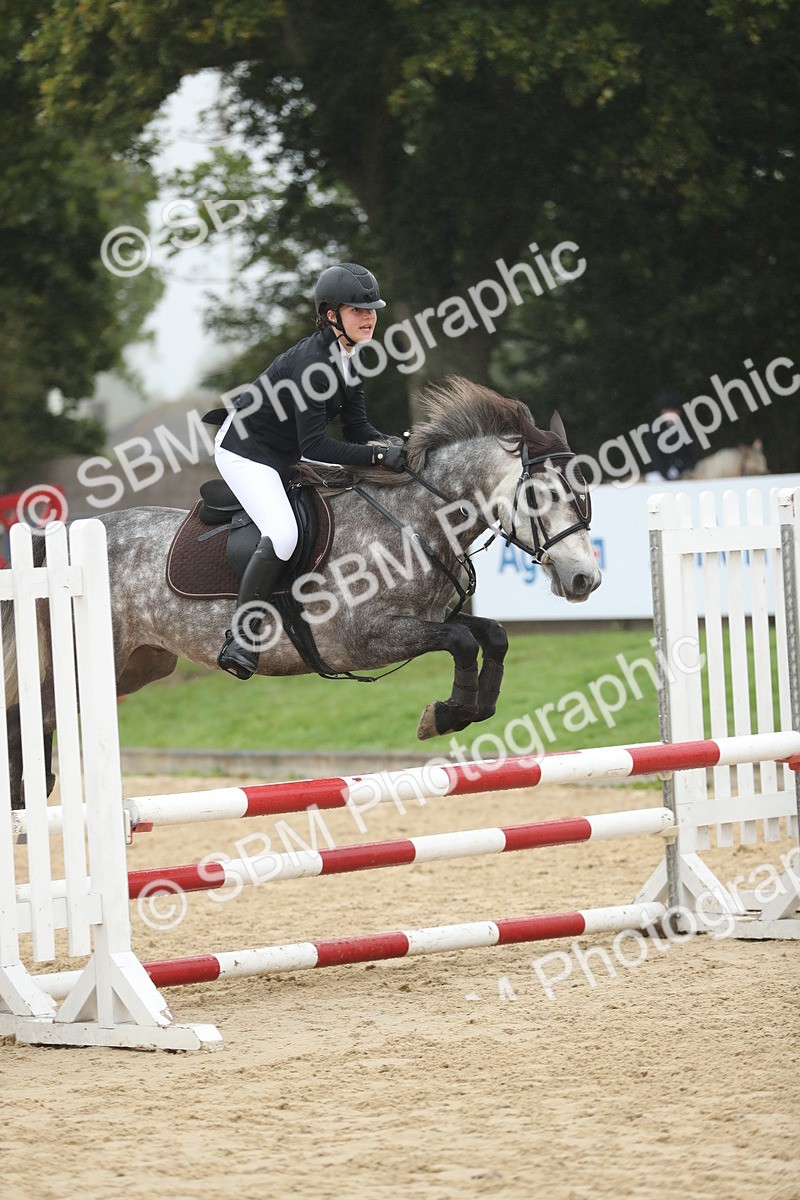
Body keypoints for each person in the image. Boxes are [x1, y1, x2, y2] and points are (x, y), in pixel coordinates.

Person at [204, 262, 405, 680]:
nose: (369, 317)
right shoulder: (313, 364)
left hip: (284, 450)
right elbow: (315, 446)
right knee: (283, 533)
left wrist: (391, 446)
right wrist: (375, 459)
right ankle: (242, 637)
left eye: (372, 309)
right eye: (357, 310)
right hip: (246, 450)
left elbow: (356, 429)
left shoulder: (350, 357)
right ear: (332, 315)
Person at [642, 390, 700, 482]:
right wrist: (665, 471)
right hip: (658, 472)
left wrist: (682, 468)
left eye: (674, 410)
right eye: (667, 411)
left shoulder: (686, 428)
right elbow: (653, 454)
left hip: (682, 471)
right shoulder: (654, 429)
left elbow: (692, 452)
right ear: (662, 412)